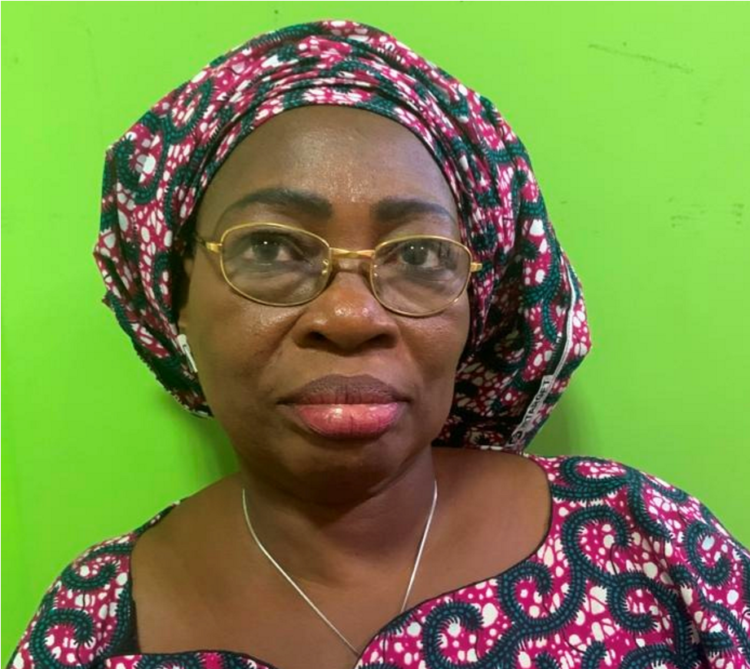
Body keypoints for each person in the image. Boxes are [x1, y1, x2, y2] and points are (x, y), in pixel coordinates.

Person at [6, 19, 750, 669]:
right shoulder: (94, 625)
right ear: (175, 295)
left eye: (419, 254)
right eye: (270, 247)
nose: (351, 315)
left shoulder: (645, 542)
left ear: (475, 302)